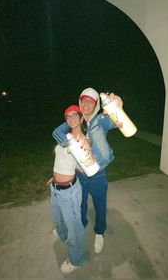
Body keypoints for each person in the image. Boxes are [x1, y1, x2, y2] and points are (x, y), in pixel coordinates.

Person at [52, 88, 123, 254]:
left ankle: (99, 232)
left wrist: (117, 104)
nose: (86, 103)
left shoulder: (100, 120)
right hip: (79, 175)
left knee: (99, 205)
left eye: (90, 101)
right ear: (79, 103)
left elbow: (114, 121)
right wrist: (73, 119)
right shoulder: (75, 122)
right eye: (83, 100)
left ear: (96, 104)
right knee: (80, 205)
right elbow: (57, 132)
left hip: (97, 175)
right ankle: (80, 225)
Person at [48, 105, 86, 274]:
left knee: (75, 228)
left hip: (69, 192)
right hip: (56, 186)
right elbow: (60, 159)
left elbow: (85, 166)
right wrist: (55, 177)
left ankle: (76, 259)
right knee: (58, 216)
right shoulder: (65, 137)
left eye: (74, 116)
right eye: (67, 117)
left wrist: (84, 152)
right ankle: (62, 233)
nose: (70, 119)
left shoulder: (83, 141)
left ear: (81, 118)